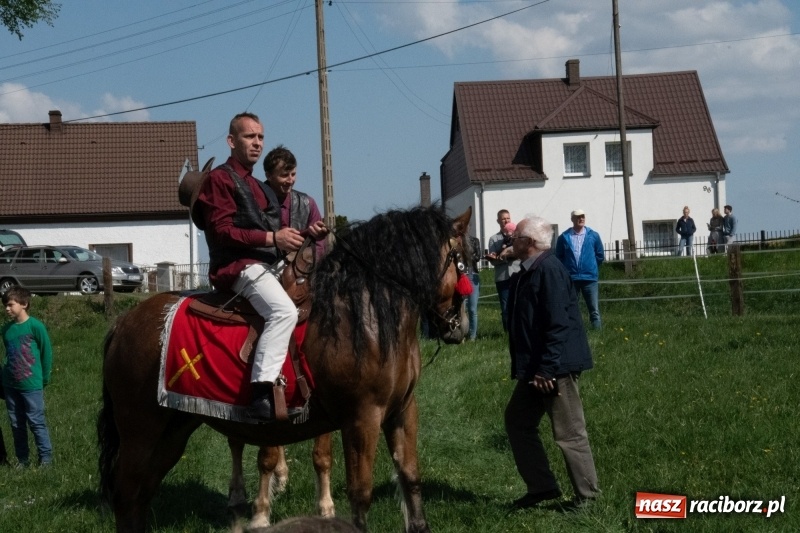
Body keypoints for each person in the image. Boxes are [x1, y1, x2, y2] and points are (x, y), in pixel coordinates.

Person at [194, 113, 328, 422]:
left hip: (265, 264)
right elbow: (221, 231)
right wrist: (272, 238)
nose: (257, 142)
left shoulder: (258, 186)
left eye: (260, 137)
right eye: (249, 136)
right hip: (237, 266)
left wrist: (307, 234)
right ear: (231, 141)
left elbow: (274, 236)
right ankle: (261, 392)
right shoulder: (220, 179)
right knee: (284, 311)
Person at [504, 216, 600, 510]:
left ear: (529, 242)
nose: (512, 241)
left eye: (516, 238)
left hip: (554, 368)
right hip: (536, 369)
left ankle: (588, 498)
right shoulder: (528, 270)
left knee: (569, 433)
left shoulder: (549, 270)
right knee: (518, 421)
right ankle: (542, 487)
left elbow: (558, 324)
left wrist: (547, 369)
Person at [2, 287, 53, 467]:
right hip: (10, 385)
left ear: (24, 304)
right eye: (5, 305)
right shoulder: (6, 330)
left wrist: (44, 378)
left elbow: (46, 353)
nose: (7, 309)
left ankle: (45, 459)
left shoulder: (36, 326)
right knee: (16, 424)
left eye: (10, 304)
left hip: (31, 385)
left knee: (36, 421)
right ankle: (22, 460)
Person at [554, 209, 604, 329]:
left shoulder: (593, 235)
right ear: (572, 219)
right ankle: (574, 331)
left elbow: (600, 255)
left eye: (582, 216)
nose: (581, 219)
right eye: (578, 217)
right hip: (571, 278)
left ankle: (598, 333)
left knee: (594, 309)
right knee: (572, 307)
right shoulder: (564, 237)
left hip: (590, 278)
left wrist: (591, 266)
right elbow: (559, 257)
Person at [486, 210, 521, 331]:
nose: (506, 221)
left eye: (508, 218)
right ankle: (507, 333)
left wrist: (504, 256)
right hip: (502, 277)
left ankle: (519, 330)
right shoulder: (493, 239)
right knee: (505, 307)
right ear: (498, 221)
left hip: (517, 274)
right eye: (503, 219)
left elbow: (521, 253)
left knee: (519, 304)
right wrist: (507, 257)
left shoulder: (517, 235)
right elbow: (493, 260)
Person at [465, 235, 481, 341]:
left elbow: (477, 257)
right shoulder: (453, 241)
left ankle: (472, 337)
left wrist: (465, 255)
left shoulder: (474, 240)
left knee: (472, 309)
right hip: (460, 276)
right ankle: (461, 335)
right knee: (460, 308)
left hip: (472, 275)